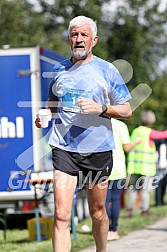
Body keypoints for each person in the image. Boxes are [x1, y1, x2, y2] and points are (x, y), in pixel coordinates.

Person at [35, 16, 132, 252]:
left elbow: (127, 110)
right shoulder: (59, 70)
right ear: (69, 39)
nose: (78, 40)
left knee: (97, 212)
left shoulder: (107, 70)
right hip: (64, 148)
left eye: (84, 35)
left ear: (94, 40)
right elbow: (52, 103)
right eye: (74, 35)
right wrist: (43, 114)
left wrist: (102, 108)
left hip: (97, 149)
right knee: (61, 214)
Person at [126, 110, 167, 217]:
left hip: (134, 167)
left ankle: (129, 210)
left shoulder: (135, 131)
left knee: (133, 190)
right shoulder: (149, 132)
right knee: (145, 190)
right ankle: (145, 211)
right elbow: (164, 135)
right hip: (146, 168)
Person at [106, 118, 140, 241]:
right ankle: (113, 230)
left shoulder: (98, 122)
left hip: (102, 167)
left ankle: (104, 231)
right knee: (115, 200)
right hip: (118, 168)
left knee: (104, 201)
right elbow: (127, 148)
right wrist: (136, 142)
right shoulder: (121, 126)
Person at [154, 139, 167, 206]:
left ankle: (161, 200)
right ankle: (158, 202)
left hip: (165, 166)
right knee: (158, 185)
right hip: (158, 167)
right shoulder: (157, 143)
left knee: (164, 185)